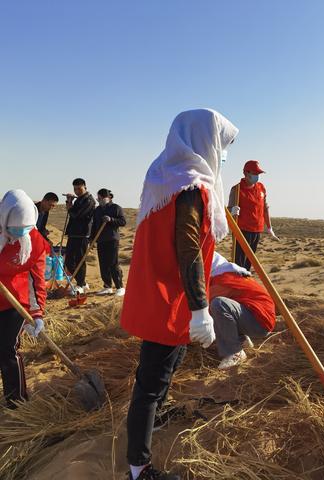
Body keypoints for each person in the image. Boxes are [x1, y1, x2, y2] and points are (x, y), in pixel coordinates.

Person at [120, 109, 238, 480]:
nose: (223, 156)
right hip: (169, 297)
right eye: (222, 146)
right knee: (150, 383)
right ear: (205, 141)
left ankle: (157, 414)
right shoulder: (191, 187)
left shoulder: (165, 176)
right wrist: (200, 308)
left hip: (158, 290)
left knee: (165, 366)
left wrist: (221, 266)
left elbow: (187, 243)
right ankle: (139, 469)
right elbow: (187, 248)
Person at [0, 190, 49, 408]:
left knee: (7, 348)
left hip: (15, 302)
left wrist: (37, 313)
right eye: (15, 229)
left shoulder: (35, 242)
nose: (20, 235)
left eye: (25, 229)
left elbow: (36, 280)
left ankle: (17, 401)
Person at [209, 252, 276, 369]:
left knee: (218, 305)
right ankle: (242, 340)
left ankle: (234, 352)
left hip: (260, 322)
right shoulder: (230, 274)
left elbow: (202, 306)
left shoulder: (224, 279)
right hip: (256, 317)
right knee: (224, 307)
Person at [228, 160, 277, 271]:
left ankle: (245, 283)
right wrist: (232, 211)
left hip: (257, 230)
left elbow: (265, 208)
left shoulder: (261, 188)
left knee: (249, 261)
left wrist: (269, 227)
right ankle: (237, 285)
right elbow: (229, 209)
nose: (257, 176)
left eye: (258, 174)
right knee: (239, 263)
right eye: (254, 173)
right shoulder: (237, 189)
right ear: (246, 173)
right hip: (242, 230)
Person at [90, 189, 126, 297]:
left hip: (112, 239)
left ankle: (119, 287)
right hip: (101, 240)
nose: (99, 200)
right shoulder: (98, 210)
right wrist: (92, 239)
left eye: (101, 198)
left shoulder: (116, 208)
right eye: (98, 198)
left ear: (108, 197)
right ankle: (107, 286)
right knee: (103, 263)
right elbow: (94, 225)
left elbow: (123, 222)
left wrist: (111, 219)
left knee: (112, 263)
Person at [64, 178, 96, 294]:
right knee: (68, 261)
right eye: (75, 189)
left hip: (82, 234)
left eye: (79, 188)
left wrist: (69, 206)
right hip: (73, 234)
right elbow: (73, 214)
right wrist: (69, 202)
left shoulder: (89, 201)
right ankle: (82, 282)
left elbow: (77, 215)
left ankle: (81, 284)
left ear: (85, 187)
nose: (77, 191)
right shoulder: (79, 200)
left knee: (79, 260)